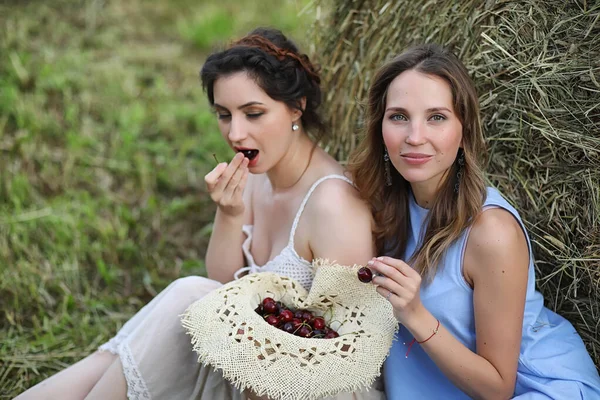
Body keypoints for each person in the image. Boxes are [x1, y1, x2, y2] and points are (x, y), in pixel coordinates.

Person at [17, 28, 381, 400]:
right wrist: (229, 212)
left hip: (308, 386)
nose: (236, 133)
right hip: (248, 362)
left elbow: (345, 353)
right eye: (224, 115)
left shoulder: (333, 204)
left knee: (188, 298)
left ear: (296, 107)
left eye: (253, 114)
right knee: (175, 311)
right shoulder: (257, 175)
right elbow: (222, 282)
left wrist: (242, 349)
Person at [347, 43, 600, 399]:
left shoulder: (490, 233)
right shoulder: (383, 206)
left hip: (535, 390)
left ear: (464, 132)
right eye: (399, 116)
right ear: (380, 127)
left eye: (436, 117)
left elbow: (498, 387)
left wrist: (415, 314)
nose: (414, 136)